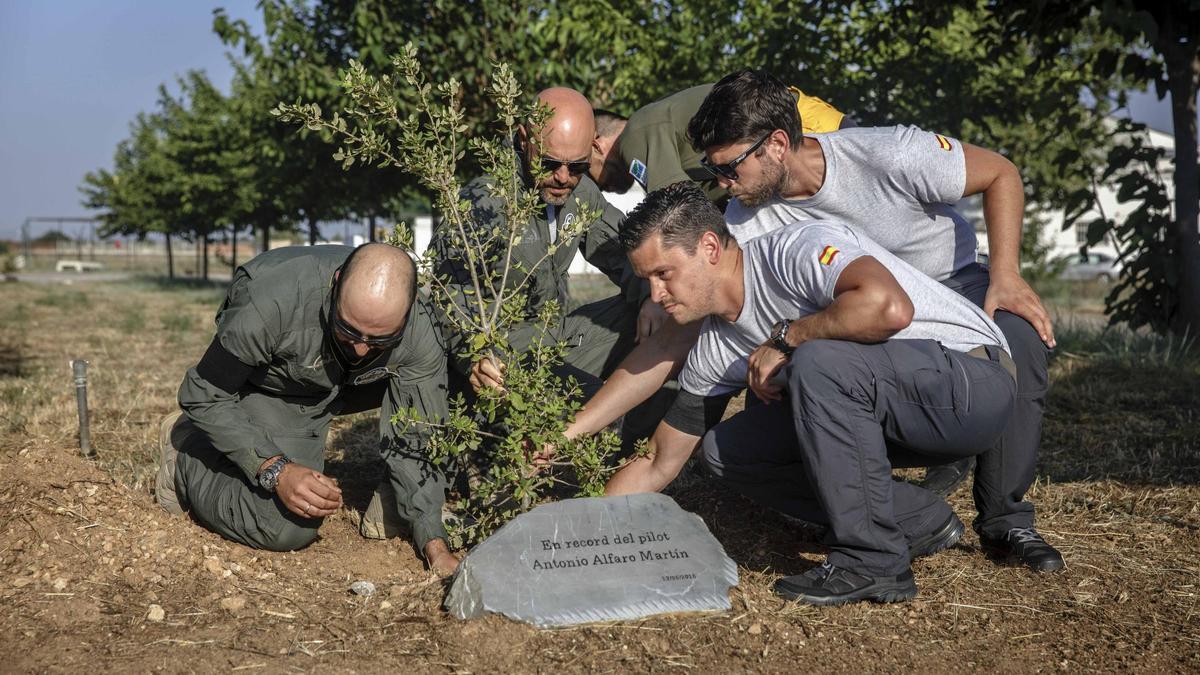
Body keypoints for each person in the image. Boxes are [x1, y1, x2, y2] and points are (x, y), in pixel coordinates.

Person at [685, 69, 1062, 571]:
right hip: (858, 317)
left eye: (730, 168)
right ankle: (874, 510)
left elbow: (1001, 173)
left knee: (1021, 334)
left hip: (953, 290)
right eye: (714, 174)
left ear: (777, 144)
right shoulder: (744, 218)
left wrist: (1007, 274)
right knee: (782, 375)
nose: (723, 185)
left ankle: (1006, 521)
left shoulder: (889, 153)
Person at [606, 181, 1018, 606]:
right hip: (896, 416)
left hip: (973, 383)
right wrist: (594, 528)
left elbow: (889, 308)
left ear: (710, 247)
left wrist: (788, 338)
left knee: (818, 362)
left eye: (663, 274)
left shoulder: (794, 250)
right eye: (647, 280)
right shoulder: (716, 345)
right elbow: (659, 460)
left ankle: (872, 561)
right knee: (727, 450)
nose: (655, 295)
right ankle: (917, 518)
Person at [156, 243, 460, 575]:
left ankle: (397, 500)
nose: (360, 349)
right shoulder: (270, 300)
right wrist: (276, 469)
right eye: (347, 329)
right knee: (285, 526)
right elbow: (202, 393)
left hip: (348, 387)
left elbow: (418, 429)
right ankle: (186, 453)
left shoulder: (422, 325)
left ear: (411, 306)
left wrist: (434, 543)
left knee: (457, 374)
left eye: (379, 341)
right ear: (337, 281)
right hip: (278, 389)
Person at [433, 87, 661, 398]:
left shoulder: (582, 194)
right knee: (591, 403)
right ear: (524, 139)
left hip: (554, 338)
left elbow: (626, 252)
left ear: (593, 147)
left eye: (578, 166)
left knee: (667, 321)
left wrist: (652, 294)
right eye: (549, 163)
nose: (563, 177)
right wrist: (473, 357)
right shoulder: (483, 203)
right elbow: (447, 290)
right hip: (503, 356)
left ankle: (649, 439)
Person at [588, 83, 853, 204]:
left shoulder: (634, 134)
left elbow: (678, 205)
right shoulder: (658, 127)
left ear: (596, 145)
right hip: (811, 128)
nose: (603, 189)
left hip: (806, 136)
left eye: (585, 171)